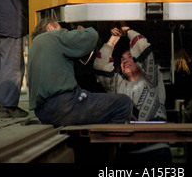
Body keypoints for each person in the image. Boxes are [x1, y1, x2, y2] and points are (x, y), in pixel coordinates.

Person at [28, 18, 132, 127]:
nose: (64, 31)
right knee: (123, 103)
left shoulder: (34, 47)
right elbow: (91, 36)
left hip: (43, 112)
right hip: (63, 105)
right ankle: (105, 142)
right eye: (61, 28)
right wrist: (80, 31)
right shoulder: (54, 36)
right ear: (50, 27)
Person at [93, 22, 172, 165]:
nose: (125, 60)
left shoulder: (152, 78)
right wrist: (113, 39)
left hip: (157, 150)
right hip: (128, 153)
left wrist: (127, 30)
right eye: (122, 59)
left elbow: (142, 47)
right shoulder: (118, 84)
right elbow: (100, 65)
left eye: (130, 56)